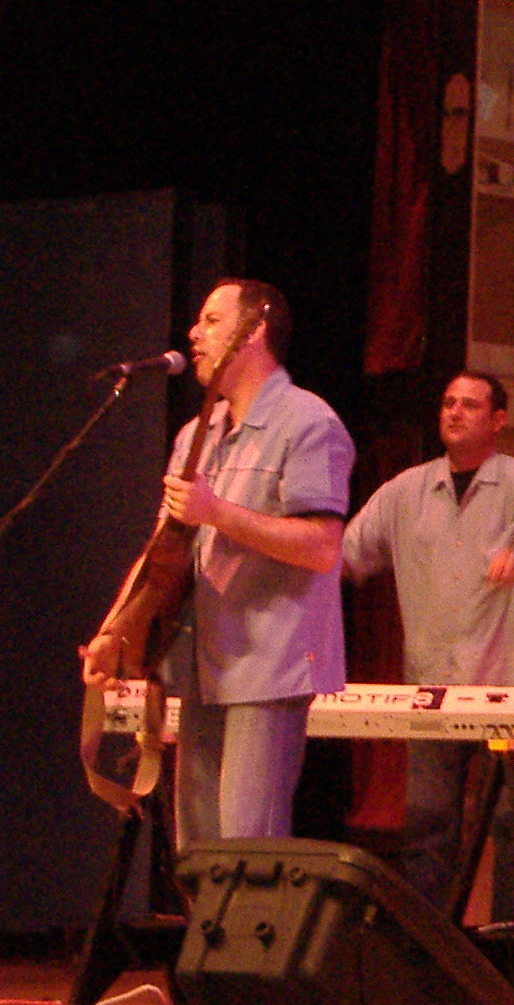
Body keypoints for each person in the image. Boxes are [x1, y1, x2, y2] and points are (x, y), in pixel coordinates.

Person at [80, 279, 354, 845]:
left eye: (211, 320)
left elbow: (323, 546)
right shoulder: (195, 434)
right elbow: (162, 548)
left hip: (269, 666)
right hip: (202, 664)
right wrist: (115, 630)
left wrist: (217, 512)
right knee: (199, 850)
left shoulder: (309, 422)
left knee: (246, 849)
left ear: (253, 332)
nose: (193, 333)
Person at [340, 371, 514, 917]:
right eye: (448, 402)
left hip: (506, 690)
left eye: (470, 405)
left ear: (498, 420)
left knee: (511, 826)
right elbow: (343, 557)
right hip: (432, 691)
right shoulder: (405, 490)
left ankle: (509, 949)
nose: (454, 412)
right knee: (427, 827)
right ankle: (431, 943)